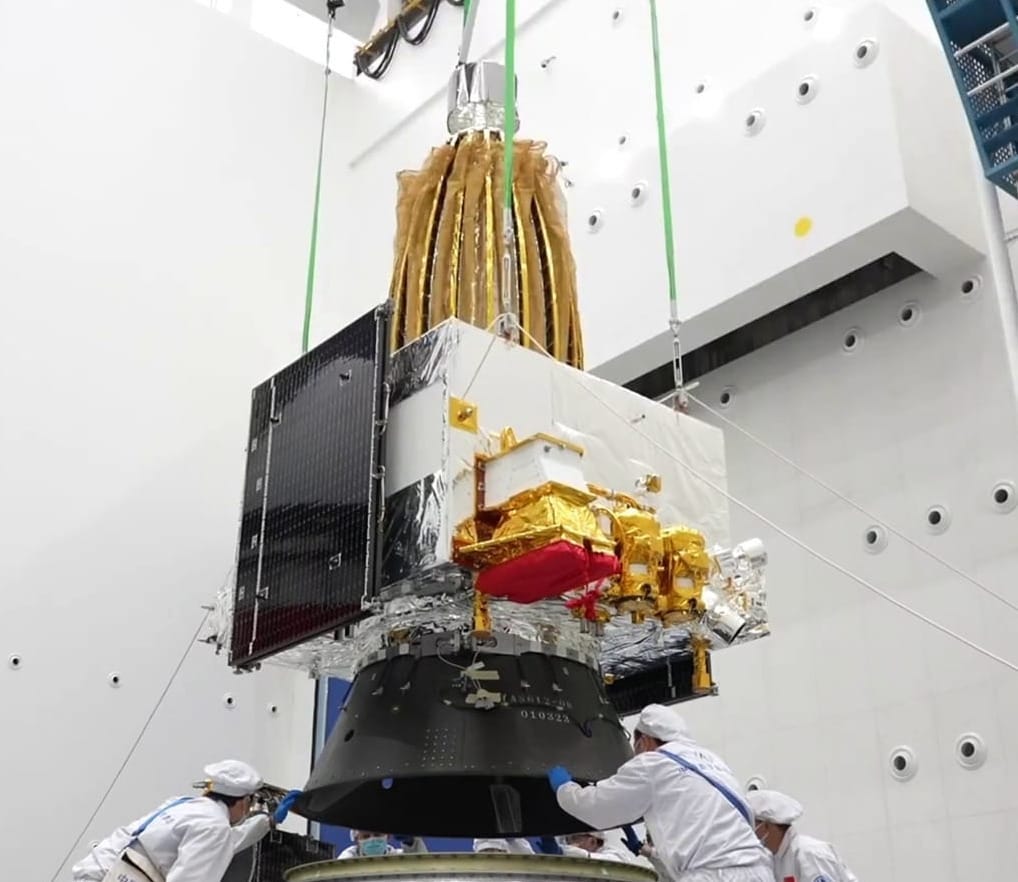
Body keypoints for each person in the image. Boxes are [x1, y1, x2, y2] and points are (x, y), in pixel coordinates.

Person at [547, 704, 772, 882]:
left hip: (715, 874)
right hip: (759, 871)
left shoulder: (653, 763)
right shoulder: (712, 761)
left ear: (644, 741)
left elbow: (596, 808)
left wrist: (565, 788)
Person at [70, 759, 276, 882]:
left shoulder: (184, 805)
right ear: (242, 802)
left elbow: (225, 843)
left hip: (99, 871)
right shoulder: (214, 826)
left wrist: (267, 823)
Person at [746, 790, 857, 882]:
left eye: (753, 825)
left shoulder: (810, 854)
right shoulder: (776, 859)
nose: (751, 832)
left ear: (766, 825)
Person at [336, 830, 428, 859]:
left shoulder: (397, 858)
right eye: (366, 836)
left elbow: (423, 865)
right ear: (357, 840)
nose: (372, 839)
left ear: (387, 836)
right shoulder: (348, 858)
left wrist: (410, 841)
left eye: (377, 834)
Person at [560, 830, 634, 863]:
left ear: (592, 841)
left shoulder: (615, 854)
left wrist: (584, 855)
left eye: (574, 839)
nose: (569, 844)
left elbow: (615, 862)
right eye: (567, 840)